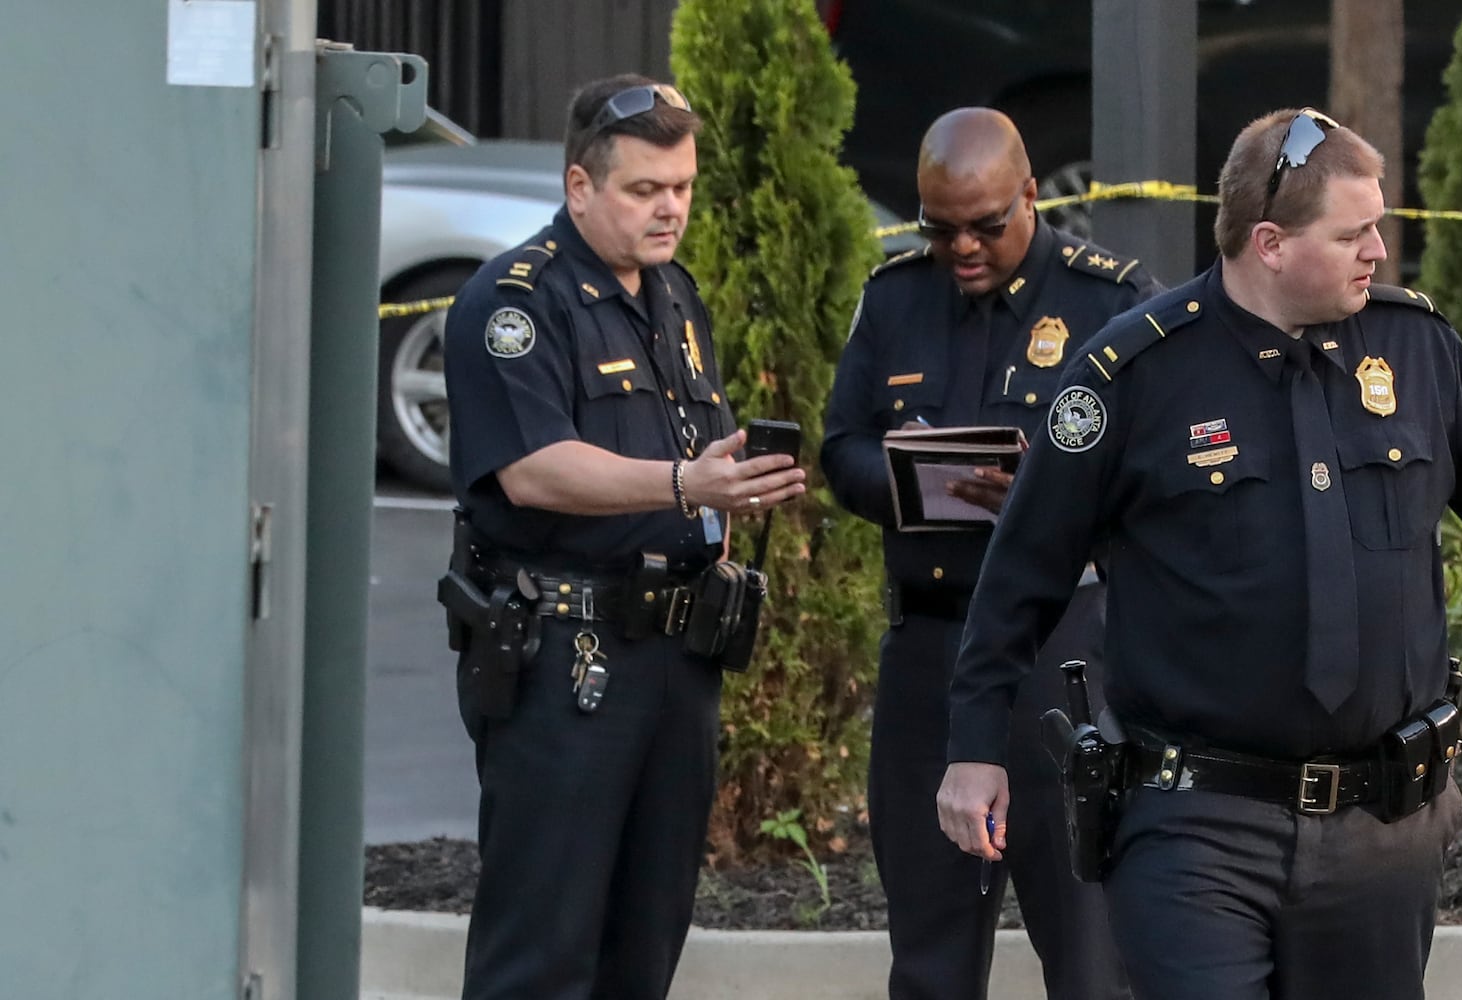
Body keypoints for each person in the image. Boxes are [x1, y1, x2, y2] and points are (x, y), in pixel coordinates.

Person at [932, 108, 1462, 999]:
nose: (1378, 251)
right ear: (1269, 243)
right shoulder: (1133, 374)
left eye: (1378, 226)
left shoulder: (1413, 347)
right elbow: (1022, 573)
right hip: (1195, 823)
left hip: (1382, 831)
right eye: (1354, 233)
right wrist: (974, 749)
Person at [439, 74, 806, 1000]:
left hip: (676, 655)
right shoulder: (514, 303)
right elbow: (534, 469)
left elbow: (683, 441)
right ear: (579, 186)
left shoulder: (673, 293)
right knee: (545, 947)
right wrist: (689, 484)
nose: (670, 208)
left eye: (681, 187)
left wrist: (727, 498)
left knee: (646, 943)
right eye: (645, 190)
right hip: (566, 657)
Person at [821, 107, 1155, 1000]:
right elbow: (840, 447)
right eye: (940, 228)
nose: (962, 247)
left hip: (1061, 653)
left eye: (985, 225)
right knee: (930, 949)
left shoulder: (1108, 303)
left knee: (1088, 948)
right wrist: (912, 476)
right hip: (931, 645)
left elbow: (1159, 479)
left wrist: (1051, 501)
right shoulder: (895, 299)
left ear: (1032, 196)